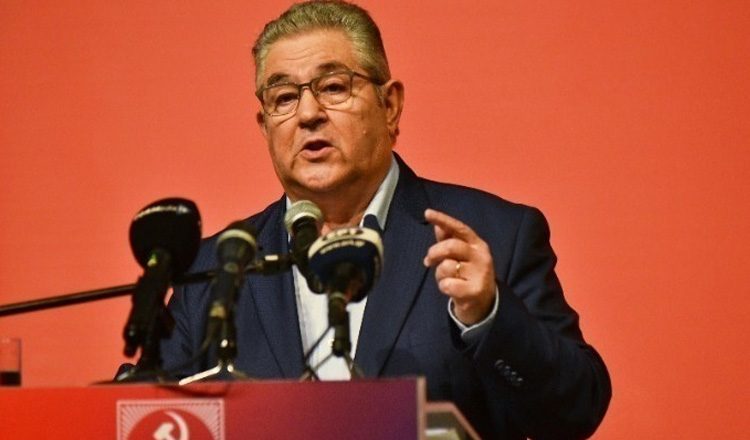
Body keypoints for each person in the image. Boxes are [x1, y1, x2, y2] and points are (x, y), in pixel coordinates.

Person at [160, 1, 611, 438]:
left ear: (390, 105)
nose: (309, 114)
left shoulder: (492, 236)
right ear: (265, 127)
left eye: (333, 87)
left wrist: (489, 315)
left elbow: (575, 412)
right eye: (284, 98)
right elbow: (148, 414)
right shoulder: (213, 273)